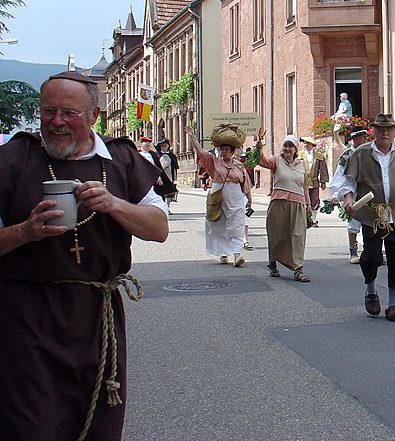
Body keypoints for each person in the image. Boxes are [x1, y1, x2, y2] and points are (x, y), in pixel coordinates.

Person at [0, 71, 169, 441]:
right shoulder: (13, 158)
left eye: (68, 113)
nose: (57, 122)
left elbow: (158, 228)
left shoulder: (121, 158)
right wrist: (23, 232)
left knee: (97, 426)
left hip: (98, 319)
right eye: (49, 112)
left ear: (93, 116)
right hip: (27, 319)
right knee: (32, 427)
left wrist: (114, 204)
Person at [340, 113, 395, 322]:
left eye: (389, 129)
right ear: (374, 131)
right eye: (381, 129)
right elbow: (348, 182)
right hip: (371, 214)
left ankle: (393, 304)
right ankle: (370, 291)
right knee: (372, 257)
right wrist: (348, 199)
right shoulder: (361, 153)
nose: (385, 133)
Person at [185, 125, 252, 267]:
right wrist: (192, 136)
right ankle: (223, 253)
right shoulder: (214, 161)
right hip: (218, 193)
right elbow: (200, 152)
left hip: (235, 196)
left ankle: (237, 253)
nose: (223, 152)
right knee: (218, 224)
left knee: (237, 223)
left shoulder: (239, 166)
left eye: (226, 149)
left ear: (232, 151)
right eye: (221, 149)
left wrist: (249, 199)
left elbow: (245, 183)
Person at [256, 134, 313, 282]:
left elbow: (304, 186)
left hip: (298, 204)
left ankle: (298, 269)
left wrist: (308, 205)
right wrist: (259, 146)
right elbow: (262, 161)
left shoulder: (301, 164)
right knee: (277, 234)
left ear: (295, 149)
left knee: (298, 236)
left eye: (290, 146)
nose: (287, 149)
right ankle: (273, 263)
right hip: (279, 203)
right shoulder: (276, 161)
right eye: (285, 146)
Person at [328, 125, 370, 264]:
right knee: (354, 224)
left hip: (369, 194)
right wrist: (336, 195)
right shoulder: (347, 156)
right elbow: (339, 176)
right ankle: (353, 252)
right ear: (354, 139)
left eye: (365, 137)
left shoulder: (370, 152)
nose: (364, 140)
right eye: (361, 138)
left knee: (371, 223)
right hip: (353, 195)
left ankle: (371, 251)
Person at [298, 136, 329, 227]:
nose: (306, 145)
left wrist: (323, 182)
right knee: (303, 201)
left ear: (312, 145)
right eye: (304, 143)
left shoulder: (319, 156)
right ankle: (304, 219)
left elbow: (323, 169)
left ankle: (314, 220)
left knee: (315, 201)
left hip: (314, 182)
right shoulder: (299, 155)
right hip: (302, 182)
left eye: (308, 143)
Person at [156, 138, 179, 214]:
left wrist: (175, 179)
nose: (164, 147)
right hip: (160, 178)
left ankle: (167, 207)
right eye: (162, 146)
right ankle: (162, 208)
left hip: (170, 177)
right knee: (160, 194)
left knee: (169, 194)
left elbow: (175, 168)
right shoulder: (157, 155)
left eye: (165, 145)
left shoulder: (172, 156)